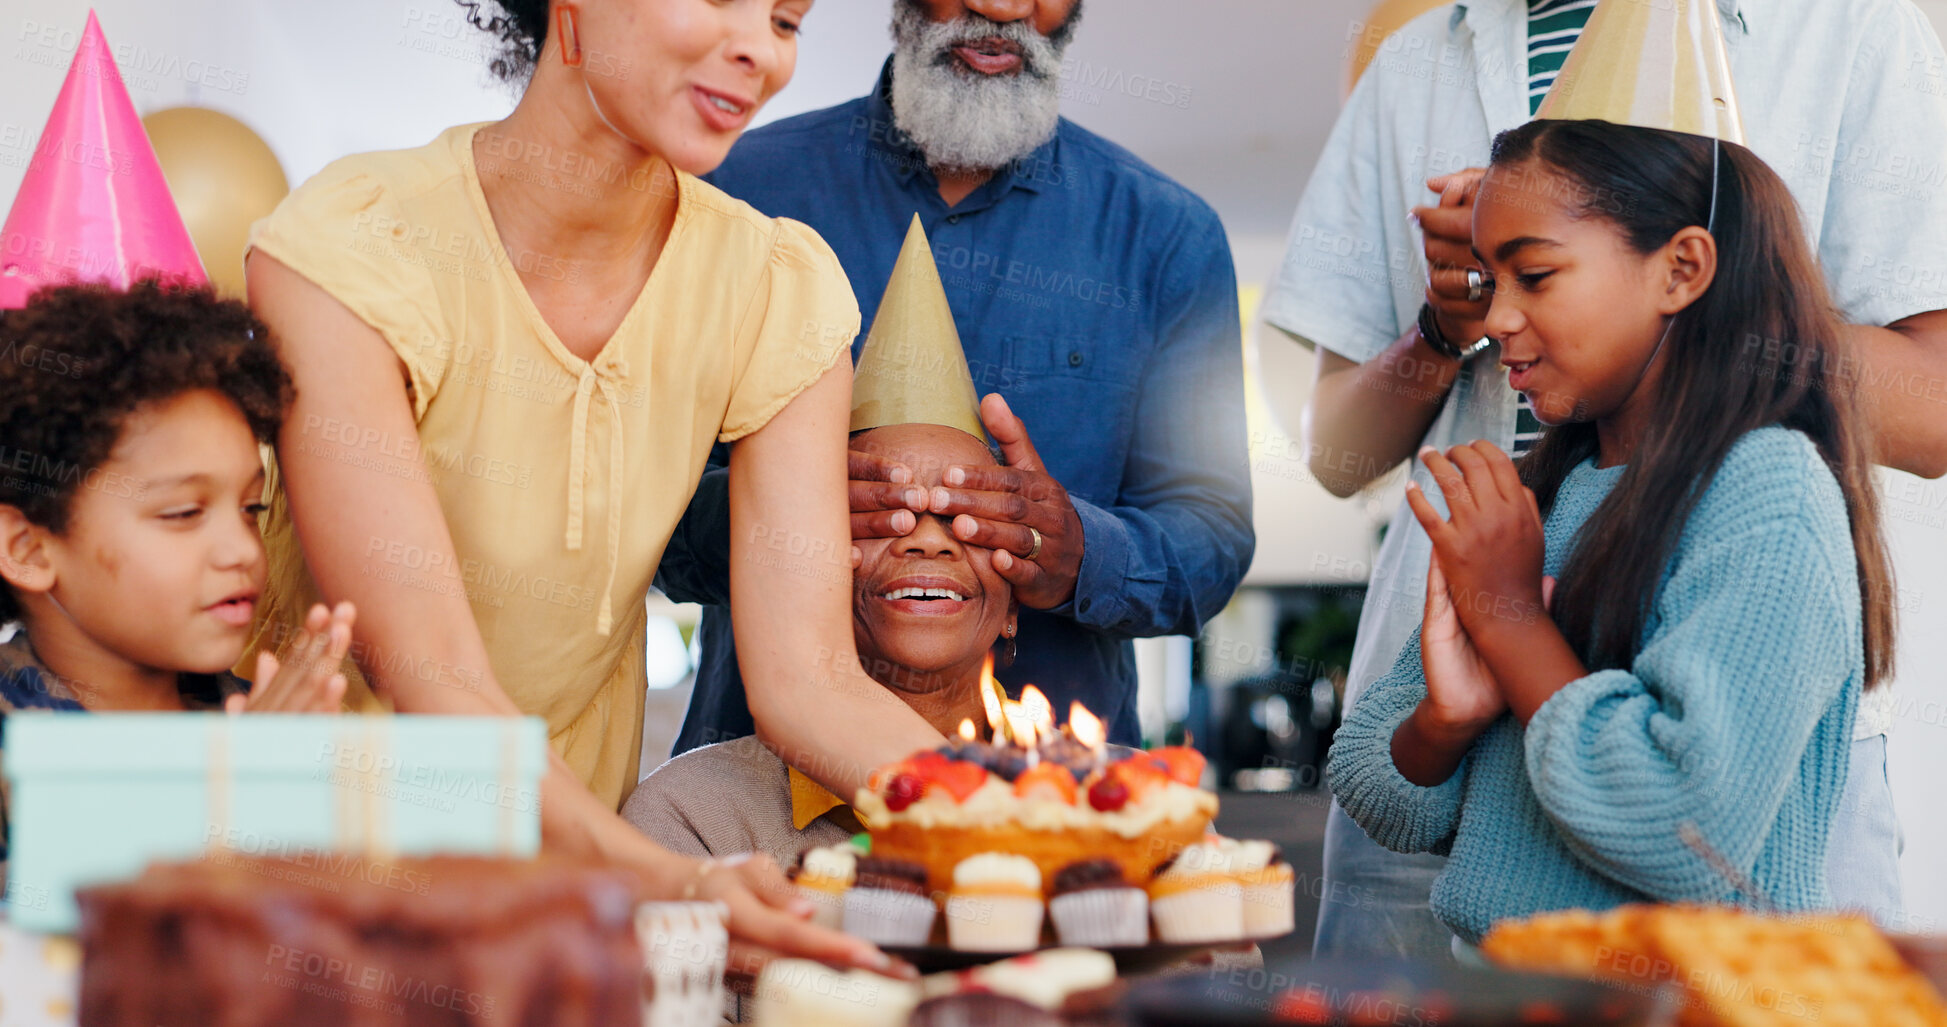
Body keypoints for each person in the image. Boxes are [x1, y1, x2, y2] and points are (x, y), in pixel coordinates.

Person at [241, 0, 919, 970]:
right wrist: (675, 880)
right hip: (312, 881)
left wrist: (1009, 809)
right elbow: (432, 669)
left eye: (785, 19)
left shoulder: (777, 289)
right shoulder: (358, 243)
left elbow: (811, 679)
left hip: (563, 886)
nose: (760, 51)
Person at [1272, 0, 1947, 956]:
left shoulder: (1856, 29)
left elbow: (1676, 818)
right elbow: (1380, 779)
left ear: (1682, 268)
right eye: (1494, 284)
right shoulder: (1541, 499)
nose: (1501, 318)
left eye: (1534, 278)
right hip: (1508, 947)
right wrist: (1451, 313)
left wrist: (1728, 312)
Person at [659, 0, 1254, 754]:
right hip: (761, 784)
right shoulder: (729, 193)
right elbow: (639, 505)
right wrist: (784, 511)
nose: (1002, 7)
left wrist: (1084, 554)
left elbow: (1212, 540)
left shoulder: (1167, 237)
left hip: (1060, 802)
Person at [628, 218, 1016, 863]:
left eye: (963, 515)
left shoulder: (1122, 801)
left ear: (1017, 602)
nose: (928, 541)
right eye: (880, 511)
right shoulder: (690, 816)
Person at [0, 281, 355, 877]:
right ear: (28, 548)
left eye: (252, 509)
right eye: (183, 514)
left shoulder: (262, 718)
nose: (241, 549)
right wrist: (233, 799)